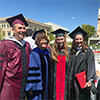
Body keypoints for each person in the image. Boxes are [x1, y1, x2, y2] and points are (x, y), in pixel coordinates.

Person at [0, 14, 30, 100]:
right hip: (9, 88)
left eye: (24, 28)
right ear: (13, 30)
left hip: (22, 87)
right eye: (19, 28)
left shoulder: (27, 45)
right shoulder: (4, 44)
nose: (22, 30)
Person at [68, 26, 97, 100]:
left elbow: (91, 65)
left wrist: (90, 80)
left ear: (83, 39)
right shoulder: (72, 51)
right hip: (72, 82)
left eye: (80, 39)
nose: (78, 41)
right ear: (74, 40)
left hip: (83, 82)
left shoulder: (87, 51)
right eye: (77, 39)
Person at [25, 30, 52, 100]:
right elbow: (32, 72)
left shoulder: (47, 53)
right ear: (38, 41)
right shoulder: (34, 53)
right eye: (41, 40)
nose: (44, 42)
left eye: (45, 40)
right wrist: (30, 88)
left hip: (47, 85)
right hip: (37, 87)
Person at [51, 28, 75, 100]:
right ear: (56, 40)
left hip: (66, 82)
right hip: (55, 82)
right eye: (58, 39)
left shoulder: (69, 52)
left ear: (64, 39)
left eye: (62, 39)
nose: (60, 41)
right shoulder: (53, 52)